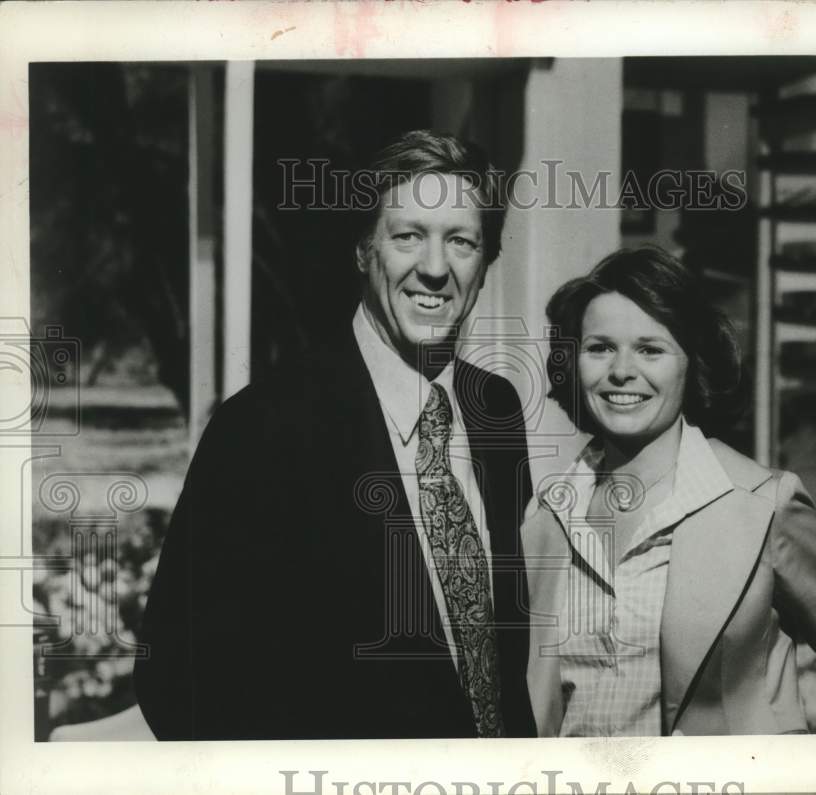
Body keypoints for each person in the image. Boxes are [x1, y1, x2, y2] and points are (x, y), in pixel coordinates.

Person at [135, 130, 537, 740]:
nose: (434, 269)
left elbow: (504, 666)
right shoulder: (263, 430)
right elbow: (178, 681)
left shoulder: (496, 411)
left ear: (485, 262)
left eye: (461, 240)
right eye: (407, 236)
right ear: (362, 248)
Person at [523, 246, 816, 736]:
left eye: (650, 349)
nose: (621, 370)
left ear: (691, 364)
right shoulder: (547, 516)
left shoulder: (765, 505)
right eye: (600, 347)